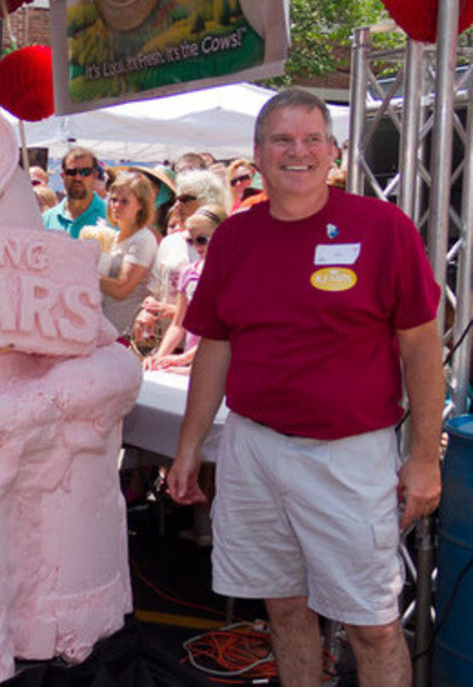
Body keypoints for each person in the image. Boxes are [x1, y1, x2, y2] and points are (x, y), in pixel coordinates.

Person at [167, 88, 444, 687]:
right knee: (284, 609)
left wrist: (424, 458)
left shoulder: (382, 227)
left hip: (348, 457)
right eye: (283, 140)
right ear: (258, 154)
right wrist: (190, 446)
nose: (299, 152)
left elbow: (422, 345)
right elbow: (215, 344)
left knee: (372, 625)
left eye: (312, 139)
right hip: (253, 449)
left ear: (333, 152)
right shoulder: (236, 237)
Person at [143, 204, 227, 374]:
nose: (196, 246)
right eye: (190, 240)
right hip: (191, 362)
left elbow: (221, 333)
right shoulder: (189, 273)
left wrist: (184, 359)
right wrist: (158, 357)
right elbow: (178, 325)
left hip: (218, 364)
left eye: (202, 239)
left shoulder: (230, 277)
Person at [97, 172, 158, 337]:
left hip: (126, 332)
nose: (116, 206)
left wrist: (84, 274)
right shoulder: (112, 237)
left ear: (141, 205)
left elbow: (121, 289)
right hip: (104, 329)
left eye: (124, 201)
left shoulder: (143, 239)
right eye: (113, 200)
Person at [42, 147, 107, 238]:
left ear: (95, 176)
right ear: (63, 176)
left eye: (85, 172)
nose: (78, 178)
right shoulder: (46, 221)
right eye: (71, 172)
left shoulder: (112, 218)